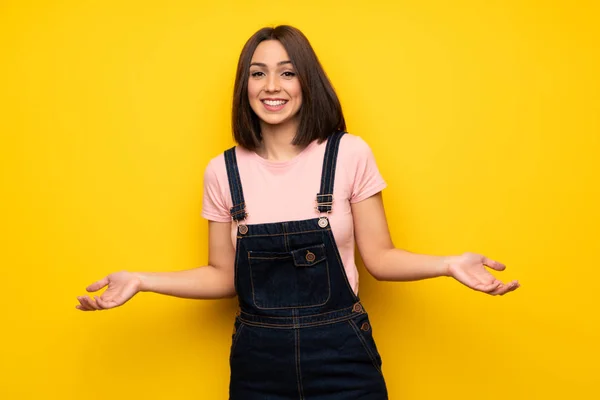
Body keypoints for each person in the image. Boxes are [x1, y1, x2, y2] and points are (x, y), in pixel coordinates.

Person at [76, 25, 520, 399]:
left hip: (343, 359)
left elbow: (381, 259)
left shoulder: (348, 154)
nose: (272, 86)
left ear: (307, 81)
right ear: (244, 86)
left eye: (287, 73)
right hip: (257, 366)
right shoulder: (222, 172)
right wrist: (141, 280)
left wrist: (448, 264)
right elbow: (222, 275)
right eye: (259, 73)